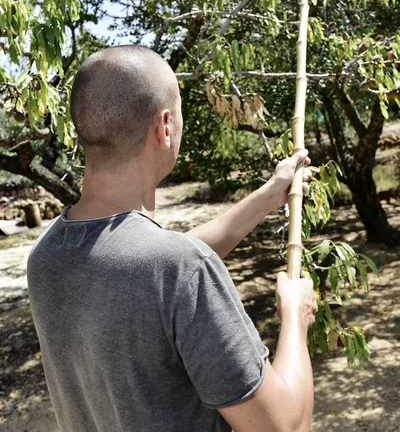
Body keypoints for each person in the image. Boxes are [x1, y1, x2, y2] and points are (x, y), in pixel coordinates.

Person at [27, 45, 317, 432]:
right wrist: (296, 317)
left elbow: (153, 266)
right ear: (164, 127)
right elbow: (285, 426)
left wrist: (267, 196)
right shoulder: (178, 270)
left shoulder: (46, 258)